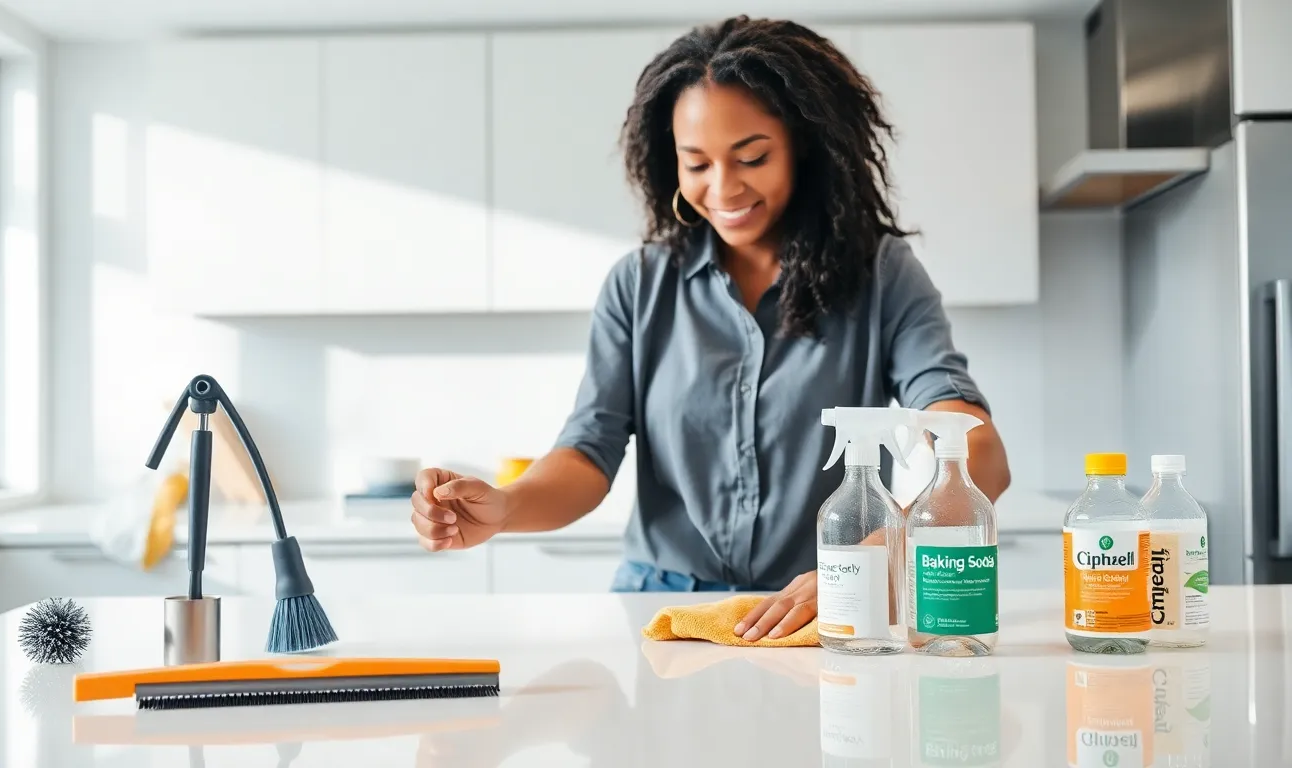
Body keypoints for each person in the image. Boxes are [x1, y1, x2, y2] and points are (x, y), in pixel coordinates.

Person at [410, 15, 1010, 643]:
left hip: (819, 609)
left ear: (804, 145)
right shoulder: (639, 285)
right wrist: (505, 507)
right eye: (696, 164)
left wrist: (884, 554)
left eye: (752, 157)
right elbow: (588, 452)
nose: (722, 188)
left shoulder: (882, 276)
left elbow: (972, 447)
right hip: (662, 611)